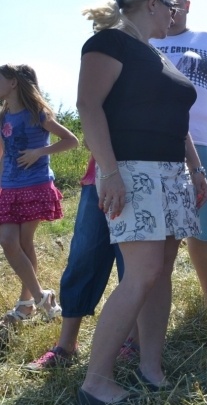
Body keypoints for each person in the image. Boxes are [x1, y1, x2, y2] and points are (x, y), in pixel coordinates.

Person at [77, 0, 207, 404]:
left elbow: (178, 121)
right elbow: (88, 106)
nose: (176, 15)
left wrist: (196, 169)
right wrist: (110, 173)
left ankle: (150, 366)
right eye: (172, 7)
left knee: (161, 273)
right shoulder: (109, 43)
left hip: (172, 173)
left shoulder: (158, 56)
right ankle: (96, 381)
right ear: (153, 3)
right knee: (142, 273)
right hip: (132, 171)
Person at [150, 0, 207, 304]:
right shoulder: (144, 42)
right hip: (155, 146)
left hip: (205, 142)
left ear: (186, 5)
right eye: (164, 2)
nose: (172, 9)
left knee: (205, 225)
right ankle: (152, 297)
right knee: (159, 227)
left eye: (177, 2)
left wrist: (206, 119)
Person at [25, 156, 127, 370]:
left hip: (147, 175)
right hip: (100, 176)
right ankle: (66, 346)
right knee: (83, 258)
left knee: (133, 268)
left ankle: (135, 343)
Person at [0, 64, 79, 323]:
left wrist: (38, 152)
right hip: (9, 186)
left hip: (35, 185)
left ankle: (26, 305)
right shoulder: (2, 116)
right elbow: (2, 153)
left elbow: (71, 140)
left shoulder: (37, 113)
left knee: (24, 243)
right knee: (7, 241)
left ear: (12, 82)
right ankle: (42, 297)